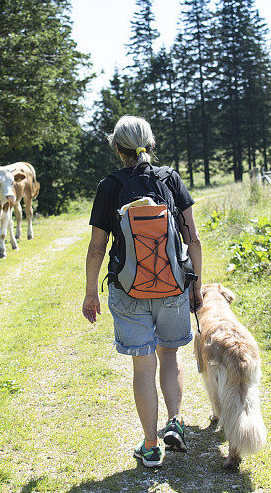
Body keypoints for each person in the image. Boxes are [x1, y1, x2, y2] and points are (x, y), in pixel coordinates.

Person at [82, 115, 204, 468]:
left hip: (128, 289)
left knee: (142, 367)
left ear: (117, 149)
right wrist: (195, 286)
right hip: (172, 288)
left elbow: (96, 248)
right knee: (170, 356)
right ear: (150, 144)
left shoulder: (109, 186)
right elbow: (192, 239)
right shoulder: (171, 179)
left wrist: (91, 292)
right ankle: (175, 422)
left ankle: (151, 447)